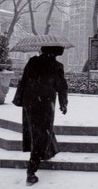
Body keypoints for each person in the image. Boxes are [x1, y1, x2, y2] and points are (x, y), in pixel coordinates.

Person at [12, 46, 68, 185]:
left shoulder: (32, 62)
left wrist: (22, 98)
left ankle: (49, 151)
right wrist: (63, 103)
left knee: (37, 130)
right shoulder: (56, 66)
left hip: (30, 103)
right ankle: (31, 171)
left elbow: (24, 80)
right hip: (45, 104)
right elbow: (62, 86)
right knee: (42, 134)